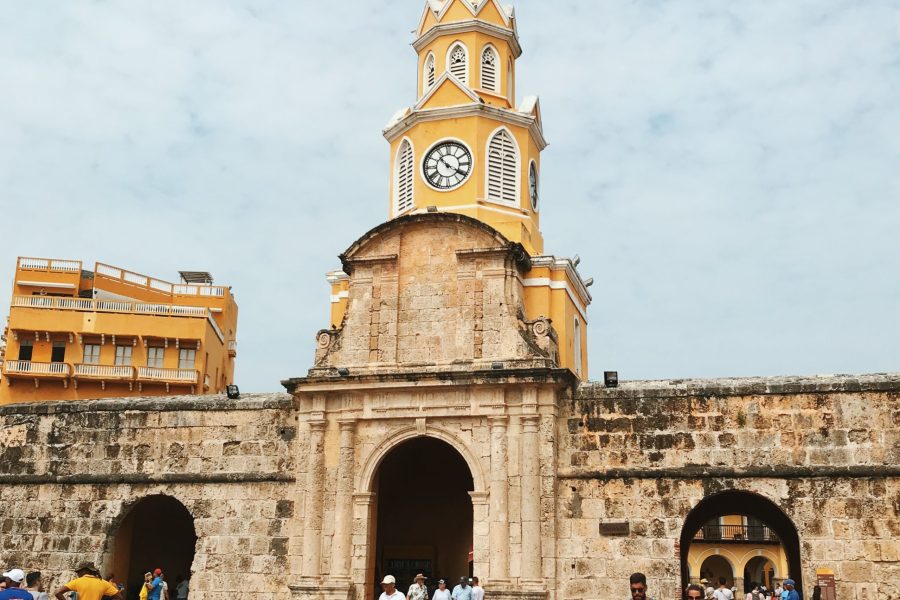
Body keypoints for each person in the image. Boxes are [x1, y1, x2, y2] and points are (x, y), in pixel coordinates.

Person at [53, 562, 122, 600]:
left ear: (85, 571)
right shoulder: (104, 583)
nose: (78, 574)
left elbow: (57, 592)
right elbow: (119, 597)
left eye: (79, 572)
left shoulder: (77, 581)